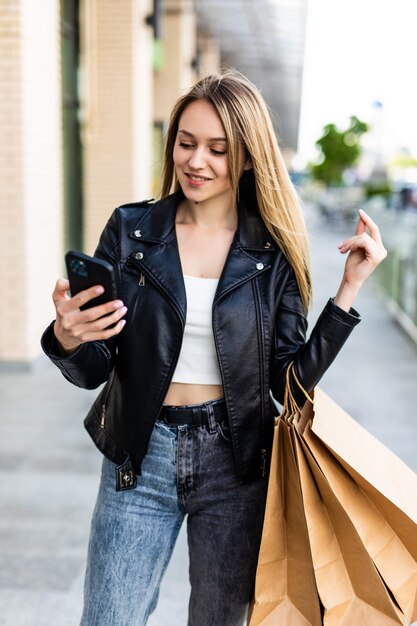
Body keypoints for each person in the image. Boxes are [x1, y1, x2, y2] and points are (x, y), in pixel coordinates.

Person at [41, 70, 387, 626]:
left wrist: (348, 291)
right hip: (139, 454)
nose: (196, 161)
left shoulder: (272, 252)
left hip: (236, 463)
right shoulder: (131, 231)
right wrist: (67, 336)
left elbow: (285, 383)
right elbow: (93, 369)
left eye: (218, 149)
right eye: (186, 142)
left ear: (248, 157)